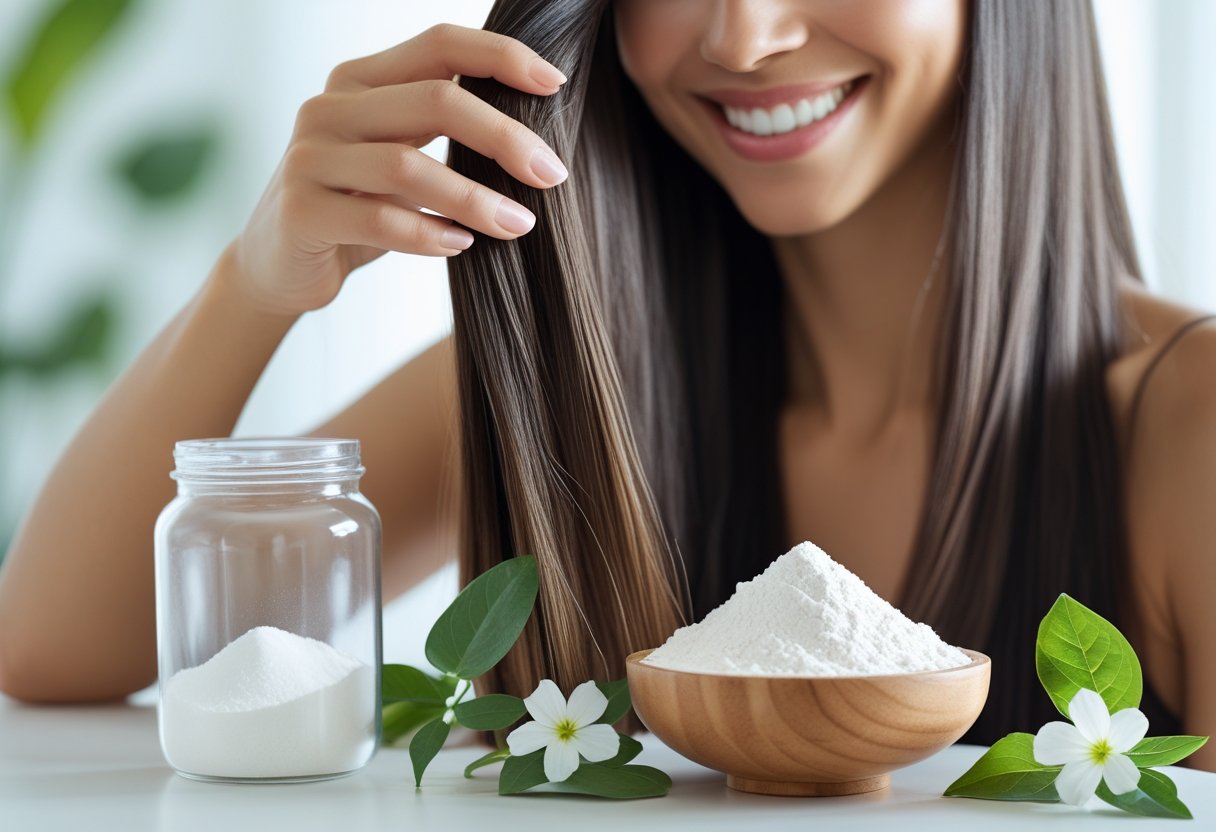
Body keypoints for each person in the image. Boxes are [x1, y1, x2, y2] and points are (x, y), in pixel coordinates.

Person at [0, 0, 1213, 770]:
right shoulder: (579, 393)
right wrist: (255, 283)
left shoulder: (1184, 422)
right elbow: (53, 648)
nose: (743, 36)